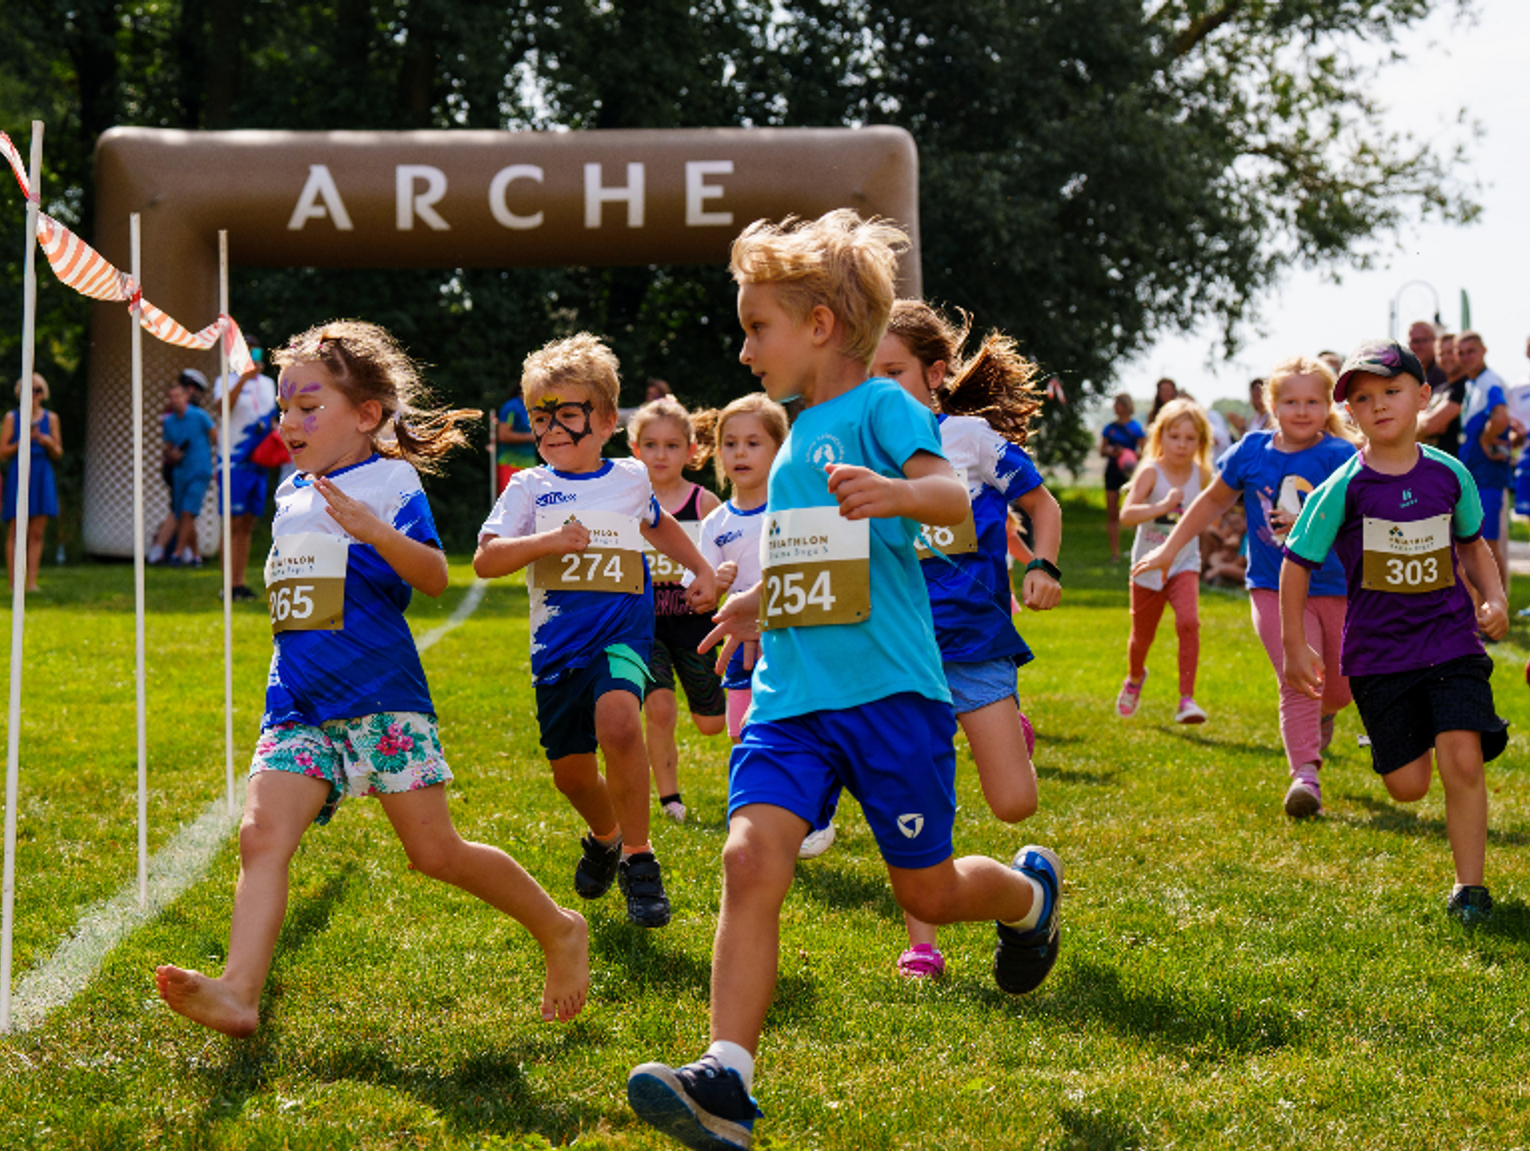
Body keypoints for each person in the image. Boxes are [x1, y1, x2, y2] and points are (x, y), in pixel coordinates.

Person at [626, 211, 1062, 1151]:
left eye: (757, 328)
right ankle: (725, 1079)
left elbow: (951, 498)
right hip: (791, 699)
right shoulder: (789, 443)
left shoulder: (880, 408)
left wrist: (902, 494)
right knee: (748, 859)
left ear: (820, 324)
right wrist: (750, 606)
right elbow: (805, 555)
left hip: (890, 696)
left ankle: (1029, 900)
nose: (743, 350)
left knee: (934, 891)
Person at [153, 320, 590, 1035]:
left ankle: (559, 926)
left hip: (378, 696)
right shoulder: (291, 491)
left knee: (435, 852)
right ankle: (239, 989)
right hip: (295, 700)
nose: (289, 421)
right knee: (261, 836)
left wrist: (373, 530)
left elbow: (432, 577)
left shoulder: (389, 480)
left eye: (307, 406)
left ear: (366, 415)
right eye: (285, 406)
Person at [474, 334, 717, 929]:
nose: (552, 428)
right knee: (572, 774)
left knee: (618, 723)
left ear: (607, 420)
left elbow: (658, 526)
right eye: (540, 417)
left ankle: (639, 858)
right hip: (557, 649)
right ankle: (605, 836)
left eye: (568, 415)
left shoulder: (631, 479)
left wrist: (702, 568)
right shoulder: (527, 488)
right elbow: (487, 559)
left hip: (622, 636)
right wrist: (550, 542)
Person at [1281, 338, 1509, 924]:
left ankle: (1471, 890)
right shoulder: (1345, 487)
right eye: (1362, 398)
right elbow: (1297, 561)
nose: (1379, 405)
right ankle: (1411, 733)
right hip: (1380, 655)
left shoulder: (1449, 475)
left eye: (1392, 391)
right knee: (1408, 786)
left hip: (1450, 639)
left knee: (1463, 759)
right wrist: (1294, 642)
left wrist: (1495, 596)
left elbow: (1473, 546)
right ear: (1351, 413)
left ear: (1423, 396)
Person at [871, 298, 1063, 980]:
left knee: (1015, 804)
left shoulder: (971, 441)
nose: (878, 384)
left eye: (893, 370)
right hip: (899, 650)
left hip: (976, 642)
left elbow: (1041, 502)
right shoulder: (860, 448)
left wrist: (1042, 563)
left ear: (935, 372)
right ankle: (922, 942)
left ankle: (1012, 735)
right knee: (915, 798)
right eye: (868, 371)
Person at [1134, 358, 1359, 816]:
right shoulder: (1251, 452)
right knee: (1297, 676)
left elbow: (1359, 520)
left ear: (1327, 405)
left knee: (1337, 689)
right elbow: (1210, 502)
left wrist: (1313, 523)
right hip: (1272, 587)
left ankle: (1326, 713)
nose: (1301, 410)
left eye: (1312, 401)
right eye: (1290, 401)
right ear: (1271, 405)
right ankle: (1305, 779)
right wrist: (1167, 550)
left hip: (1335, 586)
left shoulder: (1341, 456)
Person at [628, 395, 726, 824]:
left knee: (711, 724)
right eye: (650, 445)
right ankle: (670, 800)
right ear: (635, 450)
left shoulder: (705, 505)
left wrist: (720, 585)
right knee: (660, 708)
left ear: (691, 450)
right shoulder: (627, 503)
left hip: (697, 626)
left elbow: (730, 561)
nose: (661, 454)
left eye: (672, 445)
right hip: (647, 626)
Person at [693, 394, 789, 746]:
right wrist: (714, 585)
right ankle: (749, 797)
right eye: (730, 444)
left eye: (753, 443)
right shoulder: (715, 522)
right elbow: (699, 597)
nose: (740, 453)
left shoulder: (791, 510)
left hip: (792, 641)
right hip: (740, 649)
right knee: (744, 739)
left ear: (780, 449)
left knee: (793, 733)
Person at [1117, 397, 1214, 724]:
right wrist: (1162, 507)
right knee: (1142, 636)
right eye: (1175, 437)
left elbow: (1206, 512)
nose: (1182, 445)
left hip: (1184, 563)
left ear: (1201, 443)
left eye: (1190, 439)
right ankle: (1134, 679)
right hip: (1147, 565)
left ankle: (1187, 699)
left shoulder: (1200, 474)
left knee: (1189, 623)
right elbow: (1127, 514)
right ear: (1160, 437)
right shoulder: (1151, 472)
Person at [213, 341, 278, 601]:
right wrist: (242, 380)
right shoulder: (225, 380)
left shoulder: (268, 384)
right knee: (231, 522)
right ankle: (227, 584)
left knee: (248, 524)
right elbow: (222, 409)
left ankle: (239, 583)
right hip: (232, 462)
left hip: (259, 461)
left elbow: (271, 416)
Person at [1455, 331, 1513, 596]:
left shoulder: (1490, 381)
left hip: (1488, 475)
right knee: (1473, 543)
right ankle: (1481, 611)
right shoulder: (1471, 384)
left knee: (1487, 544)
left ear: (1484, 351)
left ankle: (1497, 608)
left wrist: (1486, 440)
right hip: (1474, 475)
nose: (1466, 357)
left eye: (1471, 351)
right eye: (1461, 352)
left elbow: (1500, 416)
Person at [0, 373, 63, 592]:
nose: (33, 395)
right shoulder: (12, 418)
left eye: (37, 390)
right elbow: (2, 452)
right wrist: (22, 440)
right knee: (17, 529)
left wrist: (46, 442)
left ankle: (31, 582)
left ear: (43, 393)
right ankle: (13, 581)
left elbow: (58, 452)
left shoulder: (51, 419)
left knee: (37, 532)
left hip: (41, 473)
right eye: (29, 390)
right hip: (20, 472)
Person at [160, 368, 217, 568]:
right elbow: (167, 449)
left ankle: (176, 553)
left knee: (187, 512)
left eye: (178, 396)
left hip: (200, 470)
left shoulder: (200, 416)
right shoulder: (169, 421)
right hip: (179, 472)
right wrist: (172, 455)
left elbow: (216, 438)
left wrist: (220, 464)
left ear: (186, 395)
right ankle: (195, 556)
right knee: (184, 513)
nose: (174, 399)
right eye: (171, 397)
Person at [1100, 393, 1145, 563]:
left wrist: (1128, 454)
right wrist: (1112, 452)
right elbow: (1102, 450)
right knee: (1112, 512)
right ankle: (1115, 553)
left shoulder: (1136, 428)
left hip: (1130, 473)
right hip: (1112, 471)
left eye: (1119, 404)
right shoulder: (1109, 428)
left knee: (1135, 510)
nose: (1116, 407)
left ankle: (1137, 550)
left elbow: (1145, 452)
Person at [1418, 333, 1467, 454]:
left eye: (1450, 352)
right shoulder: (1439, 390)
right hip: (1438, 465)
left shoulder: (1465, 387)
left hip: (1460, 466)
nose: (1446, 358)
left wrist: (1422, 423)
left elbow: (1430, 426)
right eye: (1441, 354)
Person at [495, 382, 537, 493]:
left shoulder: (534, 407)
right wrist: (531, 437)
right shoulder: (511, 407)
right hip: (510, 463)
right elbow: (503, 435)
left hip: (529, 464)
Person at [1408, 320, 1447, 389]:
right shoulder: (1409, 373)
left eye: (1423, 341)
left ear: (1435, 341)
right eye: (1414, 341)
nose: (1418, 346)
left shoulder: (1444, 370)